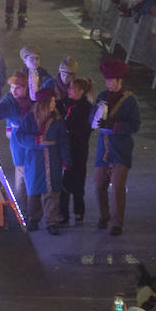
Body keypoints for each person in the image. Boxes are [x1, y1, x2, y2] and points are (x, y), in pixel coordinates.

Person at [92, 57, 140, 235]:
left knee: (118, 187)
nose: (108, 84)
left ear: (120, 81)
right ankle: (104, 216)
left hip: (121, 151)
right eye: (107, 81)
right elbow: (92, 118)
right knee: (99, 184)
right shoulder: (102, 97)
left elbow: (135, 125)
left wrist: (113, 127)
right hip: (102, 150)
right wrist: (96, 119)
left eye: (111, 81)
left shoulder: (130, 101)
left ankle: (116, 222)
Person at [16, 86, 69, 234]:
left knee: (52, 190)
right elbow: (20, 136)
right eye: (51, 102)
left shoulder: (57, 120)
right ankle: (34, 218)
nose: (54, 104)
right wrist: (35, 141)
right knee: (34, 189)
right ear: (44, 103)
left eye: (54, 101)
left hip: (53, 158)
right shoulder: (30, 118)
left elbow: (63, 140)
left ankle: (51, 221)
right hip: (34, 159)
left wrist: (65, 159)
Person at [0, 69, 34, 209]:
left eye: (18, 88)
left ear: (26, 88)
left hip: (34, 143)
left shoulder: (33, 99)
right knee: (22, 177)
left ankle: (34, 209)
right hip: (19, 144)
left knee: (34, 177)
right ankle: (24, 210)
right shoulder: (9, 101)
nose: (14, 91)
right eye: (12, 87)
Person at [59, 77, 94, 227]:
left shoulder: (87, 108)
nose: (69, 91)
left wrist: (70, 130)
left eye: (72, 89)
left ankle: (79, 212)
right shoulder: (63, 104)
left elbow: (87, 129)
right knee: (63, 183)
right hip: (65, 150)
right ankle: (63, 214)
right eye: (69, 88)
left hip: (79, 150)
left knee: (79, 181)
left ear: (81, 91)